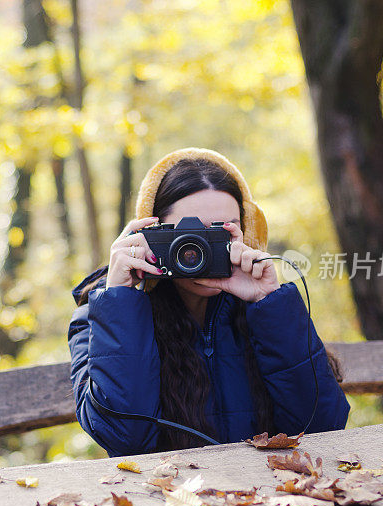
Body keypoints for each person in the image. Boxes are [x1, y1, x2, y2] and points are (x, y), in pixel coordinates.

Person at [68, 147, 350, 457]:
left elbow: (325, 427)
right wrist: (121, 300)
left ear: (247, 234)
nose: (199, 250)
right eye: (189, 234)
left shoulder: (266, 311)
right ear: (150, 237)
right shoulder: (103, 317)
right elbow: (124, 439)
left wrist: (269, 303)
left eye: (222, 232)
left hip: (271, 494)